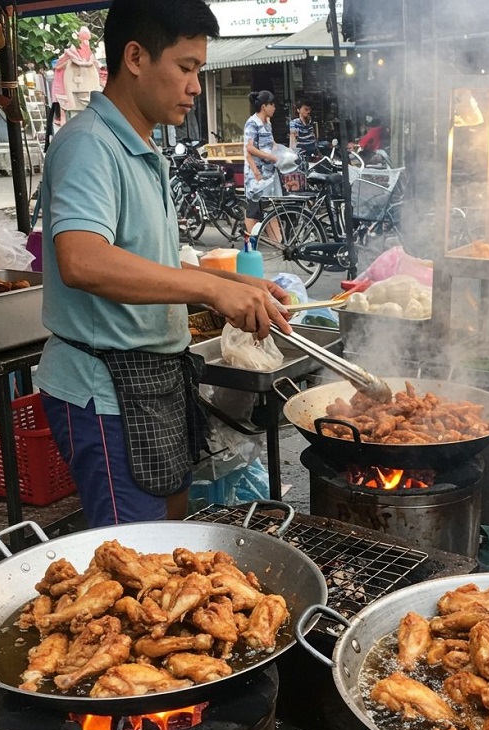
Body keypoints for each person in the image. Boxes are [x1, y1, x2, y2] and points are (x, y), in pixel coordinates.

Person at [33, 0, 291, 528]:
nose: (196, 86)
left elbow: (151, 262)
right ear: (135, 57)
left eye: (198, 70)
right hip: (106, 391)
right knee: (135, 563)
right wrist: (216, 294)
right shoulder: (88, 146)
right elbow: (83, 260)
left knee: (170, 538)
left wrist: (233, 282)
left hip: (155, 381)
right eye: (186, 67)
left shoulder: (143, 149)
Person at [243, 90, 281, 234]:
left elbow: (270, 142)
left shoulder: (267, 123)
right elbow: (249, 148)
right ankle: (252, 243)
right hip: (256, 174)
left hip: (268, 174)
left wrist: (280, 151)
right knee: (253, 209)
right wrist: (269, 159)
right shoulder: (252, 123)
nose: (274, 108)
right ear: (264, 106)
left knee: (269, 206)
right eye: (272, 105)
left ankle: (278, 244)